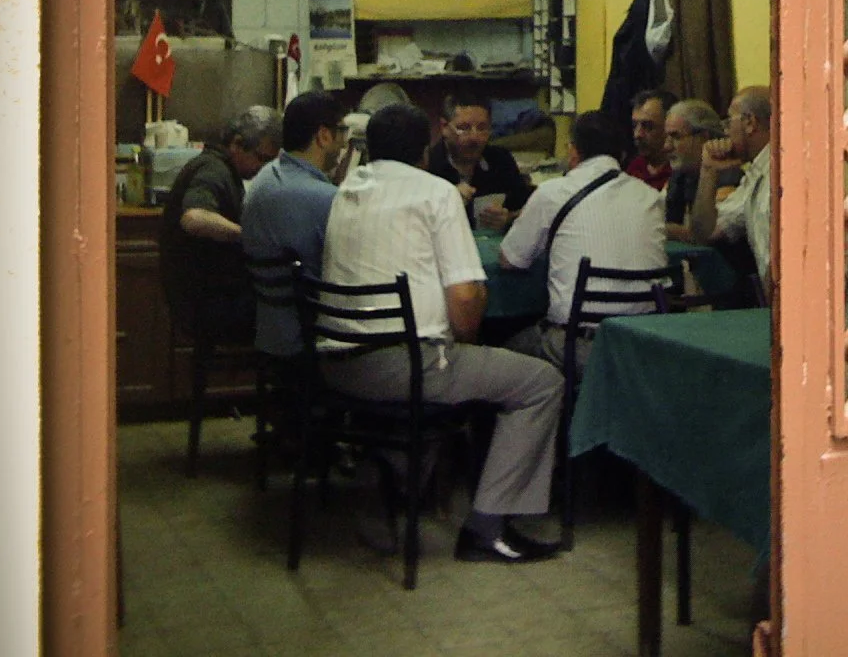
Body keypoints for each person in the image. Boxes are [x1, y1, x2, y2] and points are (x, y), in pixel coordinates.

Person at [321, 103, 563, 564]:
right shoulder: (436, 193)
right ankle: (487, 526)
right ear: (425, 149)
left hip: (337, 364)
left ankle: (391, 477)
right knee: (541, 383)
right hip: (406, 367)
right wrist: (462, 345)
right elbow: (467, 302)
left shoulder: (346, 188)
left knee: (450, 374)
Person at [499, 111, 667, 372]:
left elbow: (509, 260)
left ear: (573, 151)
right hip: (644, 345)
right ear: (622, 154)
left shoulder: (552, 192)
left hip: (578, 346)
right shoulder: (651, 196)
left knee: (502, 348)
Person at [158, 106, 283, 344]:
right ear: (237, 144)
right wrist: (247, 236)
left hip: (197, 300)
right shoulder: (213, 170)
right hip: (204, 306)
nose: (264, 169)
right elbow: (194, 218)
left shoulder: (217, 166)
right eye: (263, 158)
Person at [240, 91, 350, 356]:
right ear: (324, 136)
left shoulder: (264, 178)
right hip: (311, 343)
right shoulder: (326, 199)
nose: (344, 143)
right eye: (342, 132)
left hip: (269, 334)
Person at [690, 86, 773, 280]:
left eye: (728, 123)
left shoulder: (783, 172)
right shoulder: (755, 175)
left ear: (750, 122)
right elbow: (704, 232)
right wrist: (708, 172)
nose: (725, 132)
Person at [426, 91, 532, 230]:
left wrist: (508, 218)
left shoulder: (500, 160)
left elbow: (527, 210)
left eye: (482, 128)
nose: (474, 138)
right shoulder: (428, 165)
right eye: (464, 128)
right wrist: (445, 201)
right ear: (444, 127)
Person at [661, 98, 743, 244]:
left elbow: (707, 233)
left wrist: (652, 227)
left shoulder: (729, 174)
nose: (666, 146)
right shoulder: (679, 175)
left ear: (703, 137)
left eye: (675, 137)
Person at [625, 88, 678, 191]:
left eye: (648, 126)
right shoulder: (634, 169)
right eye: (634, 126)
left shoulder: (682, 171)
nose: (637, 134)